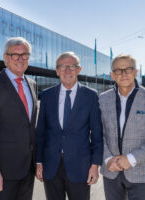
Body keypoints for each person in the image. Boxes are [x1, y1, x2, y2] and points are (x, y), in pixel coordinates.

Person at [36, 52, 103, 200]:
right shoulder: (47, 96)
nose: (67, 70)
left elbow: (97, 134)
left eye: (72, 66)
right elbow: (40, 132)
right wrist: (39, 161)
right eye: (63, 66)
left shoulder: (91, 96)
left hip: (80, 167)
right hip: (51, 166)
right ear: (57, 71)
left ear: (79, 70)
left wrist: (95, 165)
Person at [99, 55, 145, 200]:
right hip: (111, 171)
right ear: (112, 75)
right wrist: (107, 159)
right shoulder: (103, 99)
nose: (123, 74)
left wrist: (130, 159)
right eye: (118, 70)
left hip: (141, 171)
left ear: (135, 72)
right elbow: (98, 134)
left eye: (128, 69)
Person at [0, 37, 38, 200]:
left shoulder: (32, 84)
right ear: (5, 58)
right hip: (3, 171)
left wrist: (37, 161)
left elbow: (30, 127)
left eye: (25, 55)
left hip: (28, 169)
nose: (21, 59)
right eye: (15, 55)